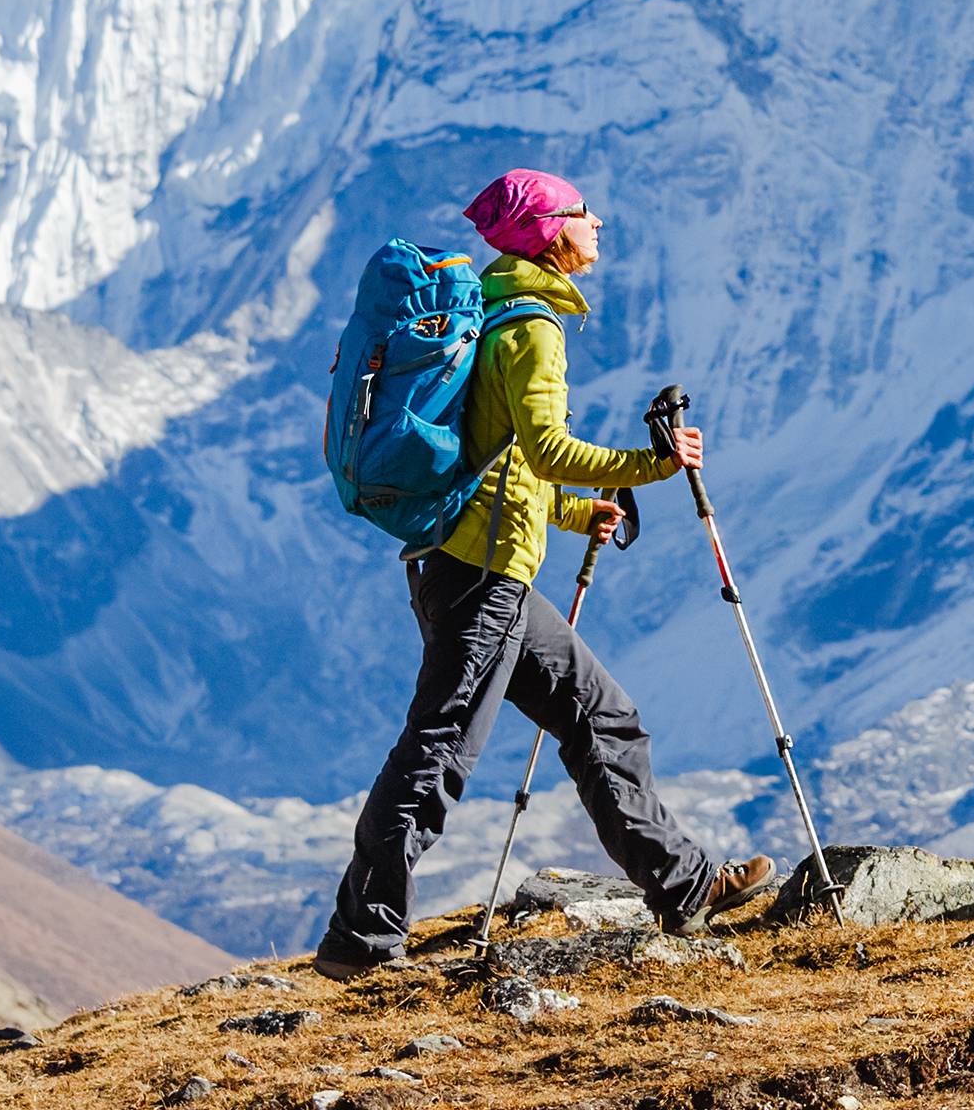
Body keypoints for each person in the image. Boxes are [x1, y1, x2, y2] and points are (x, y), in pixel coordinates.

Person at [314, 167, 774, 976]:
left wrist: (573, 513)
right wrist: (654, 463)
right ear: (549, 233)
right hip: (480, 576)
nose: (597, 222)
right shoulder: (532, 327)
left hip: (472, 563)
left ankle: (687, 886)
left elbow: (506, 462)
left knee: (603, 716)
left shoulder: (497, 307)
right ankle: (361, 939)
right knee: (437, 753)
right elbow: (549, 448)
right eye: (581, 213)